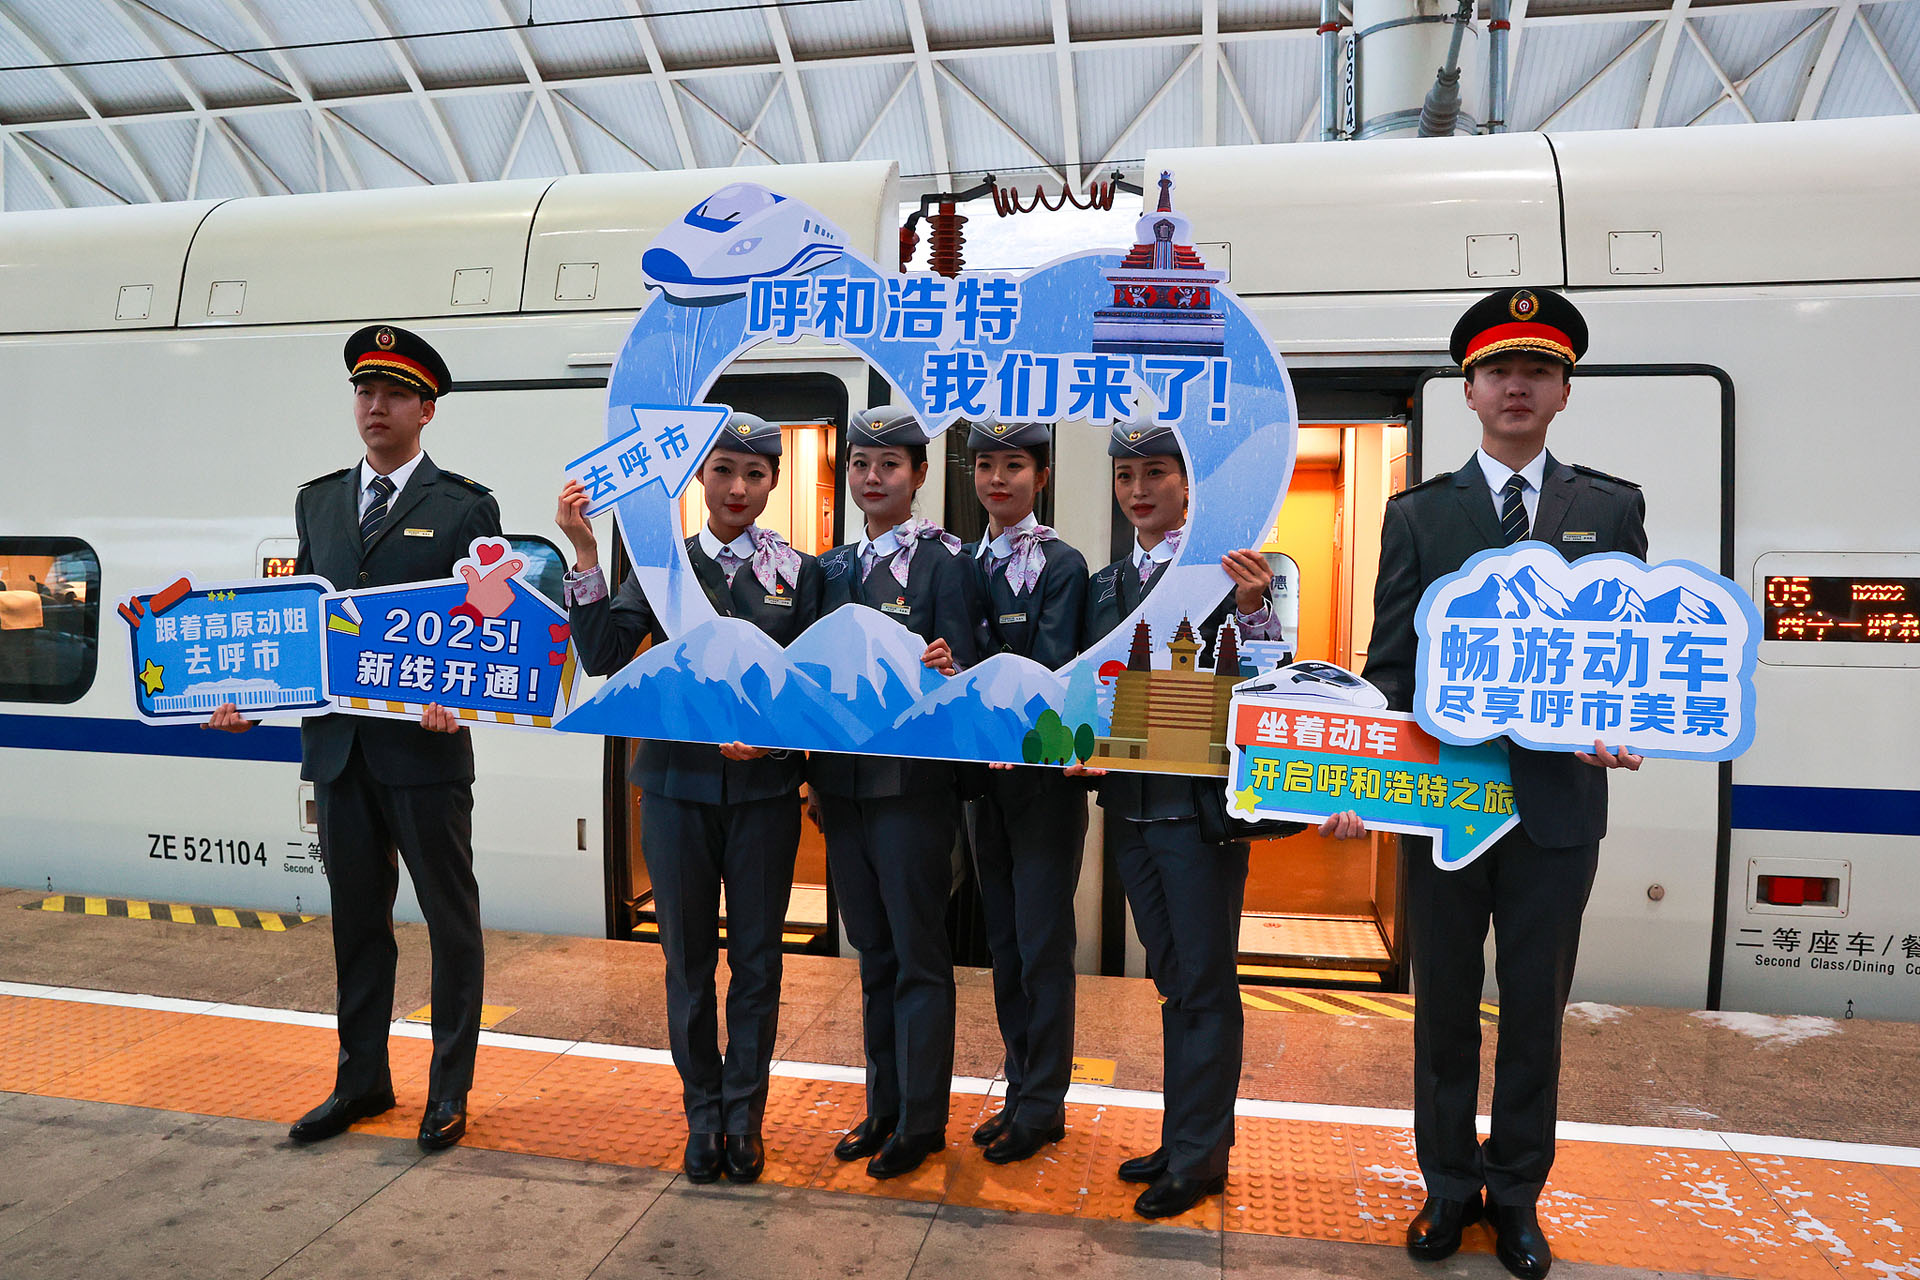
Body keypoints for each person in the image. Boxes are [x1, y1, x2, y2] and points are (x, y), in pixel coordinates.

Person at [1352, 288, 1647, 1280]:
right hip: (1443, 806)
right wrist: (1369, 775)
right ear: (1469, 390)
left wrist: (1625, 722)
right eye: (1499, 371)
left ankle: (1516, 1193)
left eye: (1538, 371)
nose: (1517, 385)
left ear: (1563, 390)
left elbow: (1629, 655)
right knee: (1440, 1000)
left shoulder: (1610, 508)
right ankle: (1446, 1182)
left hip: (1559, 810)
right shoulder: (1420, 514)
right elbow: (1390, 664)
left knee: (1533, 1006)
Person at [209, 324, 499, 1153]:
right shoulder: (319, 500)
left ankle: (449, 1092)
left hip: (422, 753)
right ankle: (361, 1080)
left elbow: (483, 625)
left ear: (426, 410)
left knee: (452, 922)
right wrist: (243, 694)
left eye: (395, 394)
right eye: (365, 392)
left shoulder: (464, 506)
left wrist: (461, 698)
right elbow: (301, 623)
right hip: (337, 753)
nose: (375, 407)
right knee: (356, 924)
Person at [556, 414, 821, 1186]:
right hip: (673, 792)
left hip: (765, 795)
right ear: (699, 480)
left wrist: (773, 742)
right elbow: (603, 654)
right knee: (687, 964)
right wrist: (583, 552)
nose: (738, 488)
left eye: (755, 474)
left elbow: (809, 690)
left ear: (772, 484)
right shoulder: (664, 569)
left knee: (759, 962)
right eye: (724, 471)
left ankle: (746, 1117)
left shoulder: (797, 576)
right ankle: (702, 1116)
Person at [1078, 422, 1314, 1219]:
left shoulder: (1234, 575)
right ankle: (1185, 1136)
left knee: (1206, 983)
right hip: (1133, 809)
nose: (1138, 491)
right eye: (1125, 478)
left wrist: (1253, 611)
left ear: (1189, 485)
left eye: (1155, 474)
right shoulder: (1109, 585)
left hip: (1200, 815)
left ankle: (1201, 1156)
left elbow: (1274, 679)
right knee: (1174, 980)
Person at [810, 404, 977, 1180]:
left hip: (912, 791)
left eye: (890, 466)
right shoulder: (830, 569)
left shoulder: (949, 565)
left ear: (917, 476)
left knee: (917, 955)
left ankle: (922, 1119)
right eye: (861, 465)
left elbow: (969, 677)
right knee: (872, 951)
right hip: (842, 791)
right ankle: (881, 1104)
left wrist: (953, 670)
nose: (872, 478)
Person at [954, 419, 1088, 1165]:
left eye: (1013, 465)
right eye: (984, 466)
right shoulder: (964, 563)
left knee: (1042, 945)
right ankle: (1019, 1090)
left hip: (1040, 782)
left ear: (1040, 475)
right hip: (983, 781)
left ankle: (1044, 1104)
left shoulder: (1061, 564)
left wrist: (1004, 728)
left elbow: (1053, 665)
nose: (996, 479)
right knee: (1004, 943)